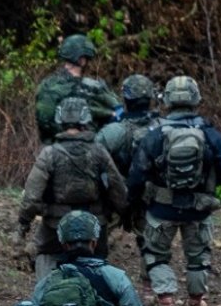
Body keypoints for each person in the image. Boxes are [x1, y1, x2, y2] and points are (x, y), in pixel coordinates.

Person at [127, 75, 221, 306]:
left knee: (156, 256)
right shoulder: (209, 133)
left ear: (165, 101)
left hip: (161, 209)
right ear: (196, 99)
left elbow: (136, 175)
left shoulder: (155, 135)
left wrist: (134, 202)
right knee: (198, 259)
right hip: (198, 211)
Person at [18, 98, 128, 277]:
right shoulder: (99, 151)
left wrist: (24, 222)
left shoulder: (49, 153)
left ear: (59, 120)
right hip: (95, 223)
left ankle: (47, 294)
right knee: (99, 259)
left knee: (42, 252)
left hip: (56, 224)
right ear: (86, 120)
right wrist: (123, 214)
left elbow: (31, 196)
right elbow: (117, 189)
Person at [97, 73, 160, 280]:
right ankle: (151, 282)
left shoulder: (114, 130)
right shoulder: (161, 128)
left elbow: (92, 157)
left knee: (99, 234)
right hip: (148, 196)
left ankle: (98, 271)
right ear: (150, 99)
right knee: (151, 240)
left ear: (126, 99)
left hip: (117, 194)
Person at [35, 34, 121, 143]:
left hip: (53, 151)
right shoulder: (92, 88)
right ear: (81, 60)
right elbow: (118, 112)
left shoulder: (45, 85)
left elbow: (43, 123)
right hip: (89, 150)